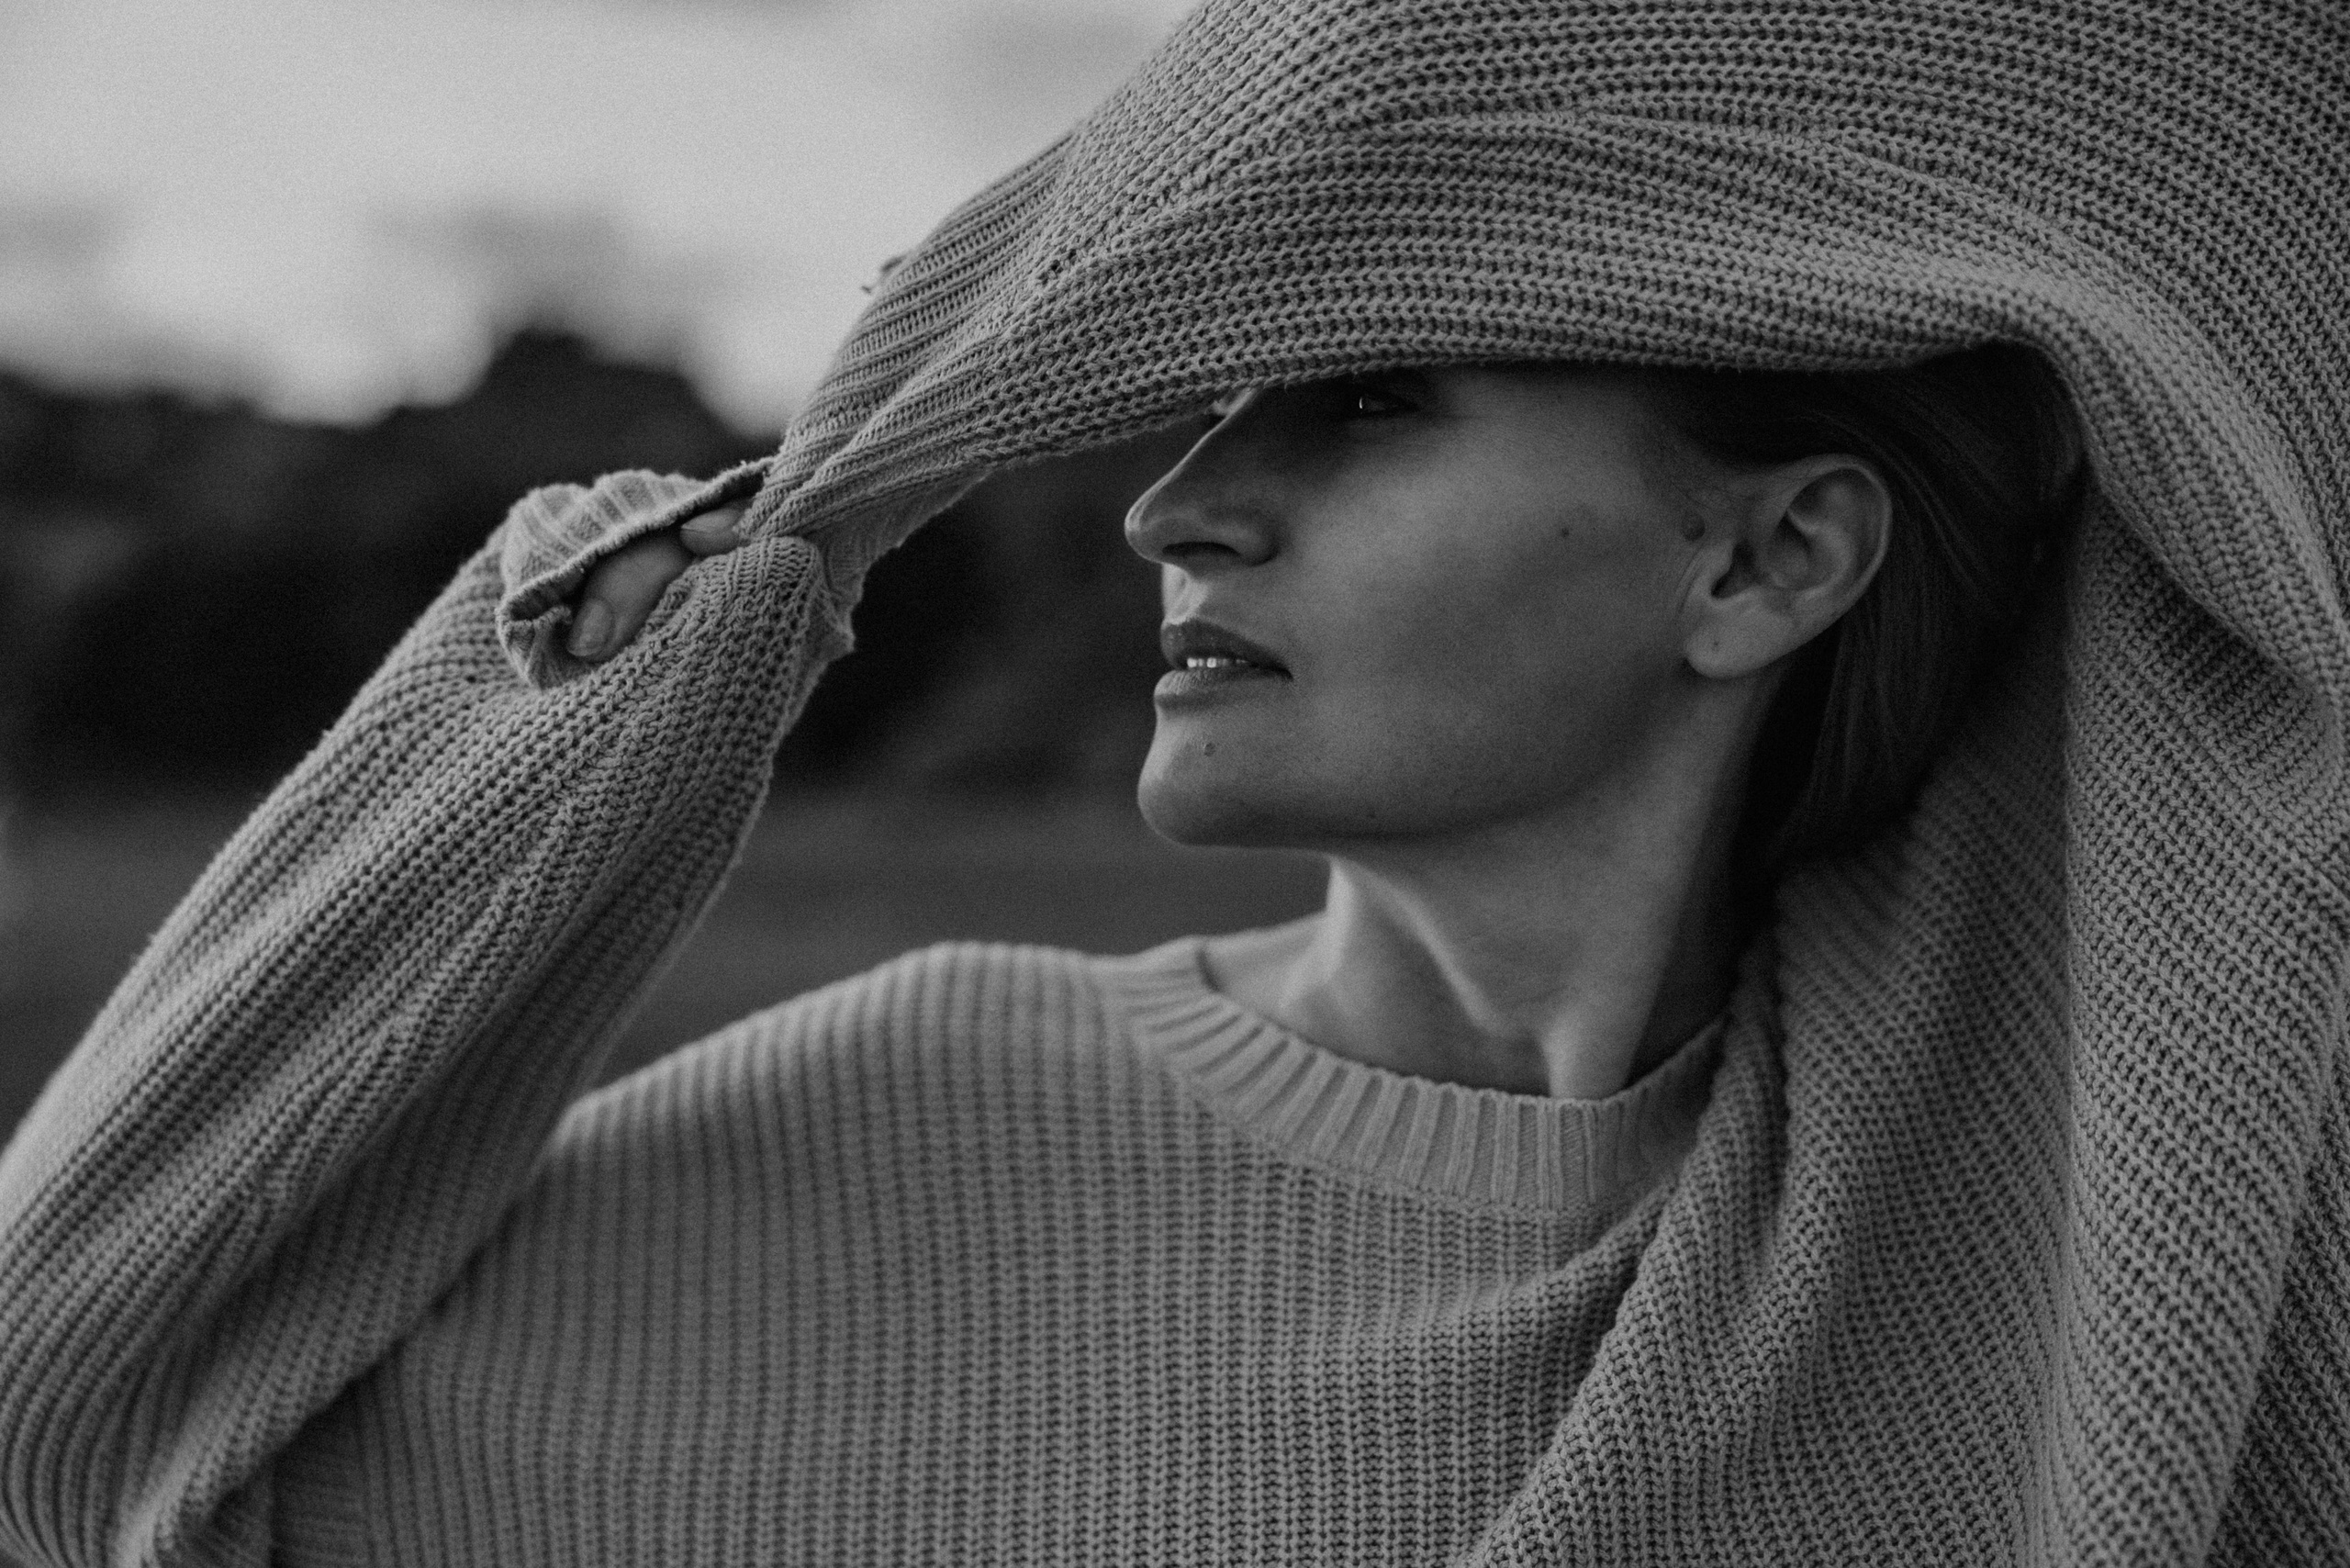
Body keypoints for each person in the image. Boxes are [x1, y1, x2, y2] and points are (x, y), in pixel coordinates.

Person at [1, 2, 2343, 1565]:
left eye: (1354, 401)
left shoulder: (2086, 1205)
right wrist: (723, 577)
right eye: (1203, 401)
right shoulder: (911, 1115)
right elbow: (72, 1421)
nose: (1168, 509)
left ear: (1765, 553)